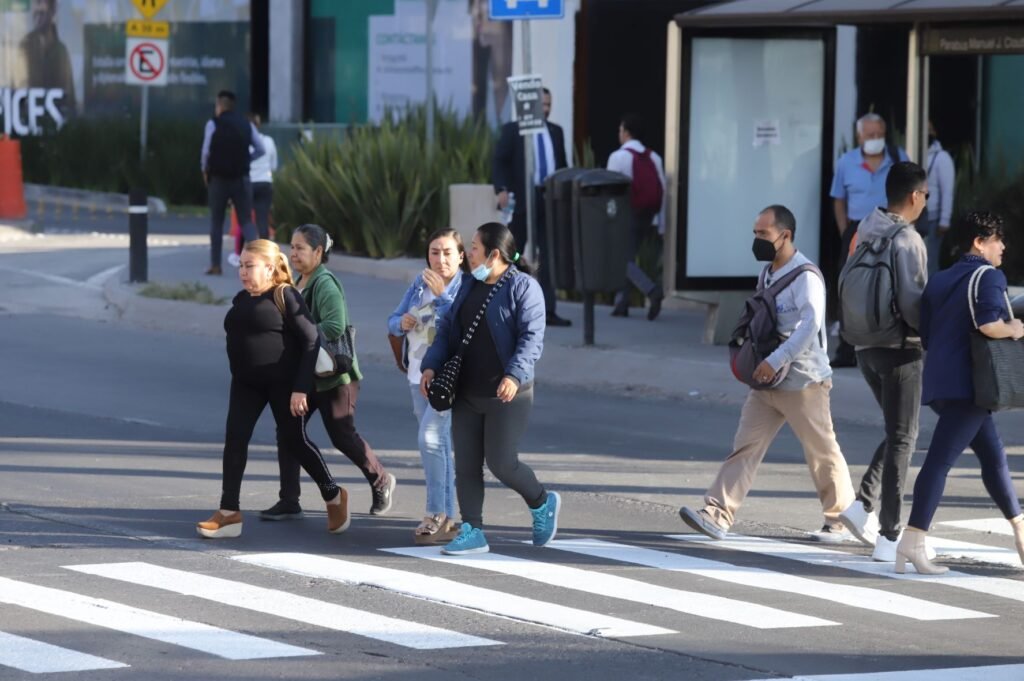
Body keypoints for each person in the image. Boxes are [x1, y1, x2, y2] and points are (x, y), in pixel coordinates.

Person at [678, 205, 867, 544]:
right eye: (755, 233)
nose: (757, 240)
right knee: (745, 447)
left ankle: (840, 522)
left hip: (803, 381)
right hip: (766, 381)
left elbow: (809, 327)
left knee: (822, 452)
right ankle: (717, 514)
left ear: (786, 235)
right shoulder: (767, 272)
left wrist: (777, 360)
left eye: (763, 234)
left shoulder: (806, 276)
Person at [420, 222, 561, 555]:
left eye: (474, 248)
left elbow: (531, 339)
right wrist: (431, 365)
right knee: (466, 465)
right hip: (466, 392)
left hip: (508, 392)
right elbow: (446, 333)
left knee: (502, 464)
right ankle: (473, 529)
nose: (468, 254)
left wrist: (513, 375)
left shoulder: (524, 288)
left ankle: (541, 502)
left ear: (494, 254)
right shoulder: (469, 286)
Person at [897, 211, 1024, 575]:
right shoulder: (989, 276)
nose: (1003, 246)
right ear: (979, 242)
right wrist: (1014, 328)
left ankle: (1019, 528)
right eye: (997, 239)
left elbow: (927, 332)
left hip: (941, 381)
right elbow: (989, 325)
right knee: (939, 461)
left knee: (994, 456)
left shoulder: (939, 280)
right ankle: (913, 538)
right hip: (971, 384)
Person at [197, 239, 347, 539]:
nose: (242, 271)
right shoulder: (241, 299)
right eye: (240, 265)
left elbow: (310, 341)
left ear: (269, 267)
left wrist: (301, 389)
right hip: (245, 384)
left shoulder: (285, 295)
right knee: (235, 439)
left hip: (284, 385)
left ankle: (333, 494)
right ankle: (229, 513)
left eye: (249, 265)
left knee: (295, 441)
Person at [262, 224, 397, 522]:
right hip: (309, 374)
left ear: (319, 252)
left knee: (342, 436)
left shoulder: (324, 283)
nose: (293, 253)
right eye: (292, 247)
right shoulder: (301, 281)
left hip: (335, 375)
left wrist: (301, 334)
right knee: (288, 430)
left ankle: (381, 480)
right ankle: (289, 499)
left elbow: (335, 325)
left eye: (300, 248)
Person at [837, 162, 929, 562]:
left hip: (862, 345)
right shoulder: (908, 240)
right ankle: (889, 537)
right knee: (904, 438)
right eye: (924, 195)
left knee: (897, 431)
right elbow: (913, 304)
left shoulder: (864, 227)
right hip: (899, 348)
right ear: (914, 196)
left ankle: (861, 506)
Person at [388, 229, 469, 543]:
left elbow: (462, 325)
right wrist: (402, 322)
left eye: (448, 252)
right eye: (435, 252)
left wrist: (444, 296)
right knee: (439, 447)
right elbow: (392, 321)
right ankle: (448, 516)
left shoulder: (466, 286)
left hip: (446, 379)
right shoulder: (419, 285)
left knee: (431, 440)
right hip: (416, 375)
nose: (441, 259)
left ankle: (435, 512)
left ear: (461, 256)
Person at [829, 113, 909, 367]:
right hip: (856, 229)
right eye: (869, 135)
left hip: (890, 227)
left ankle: (891, 342)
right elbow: (838, 198)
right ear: (859, 136)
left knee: (892, 283)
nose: (875, 139)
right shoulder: (846, 162)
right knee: (849, 285)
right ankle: (846, 348)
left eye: (879, 135)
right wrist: (845, 230)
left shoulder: (898, 159)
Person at [492, 88, 571, 327]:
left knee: (547, 255)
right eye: (542, 104)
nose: (546, 109)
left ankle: (547, 309)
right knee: (514, 253)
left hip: (548, 199)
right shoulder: (514, 130)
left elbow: (563, 166)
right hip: (523, 199)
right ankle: (508, 307)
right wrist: (502, 189)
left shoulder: (556, 132)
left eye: (549, 104)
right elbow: (499, 161)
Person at [606, 113, 666, 320]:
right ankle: (621, 303)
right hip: (648, 215)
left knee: (621, 259)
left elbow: (610, 193)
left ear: (626, 132)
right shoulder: (654, 157)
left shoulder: (618, 157)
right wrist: (661, 223)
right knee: (629, 256)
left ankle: (651, 290)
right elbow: (663, 189)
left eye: (620, 130)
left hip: (626, 214)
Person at [201, 90, 265, 276]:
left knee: (216, 221)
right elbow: (260, 148)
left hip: (218, 179)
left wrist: (205, 170)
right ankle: (258, 263)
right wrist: (247, 159)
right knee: (246, 220)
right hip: (241, 178)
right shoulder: (246, 125)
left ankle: (215, 265)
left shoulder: (213, 124)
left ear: (219, 106)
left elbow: (205, 152)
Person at [15, 0, 75, 118]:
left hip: (54, 122)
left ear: (52, 13)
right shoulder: (25, 46)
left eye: (42, 13)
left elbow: (68, 96)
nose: (37, 18)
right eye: (36, 13)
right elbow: (17, 87)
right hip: (28, 120)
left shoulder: (60, 50)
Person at [922, 121, 955, 276]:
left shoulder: (941, 158)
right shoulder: (912, 151)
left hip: (933, 219)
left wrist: (944, 221)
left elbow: (947, 191)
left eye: (929, 129)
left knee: (930, 263)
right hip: (914, 218)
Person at [249, 113, 278, 241]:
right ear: (258, 125)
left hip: (248, 183)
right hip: (265, 182)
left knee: (246, 220)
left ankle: (247, 251)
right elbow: (274, 166)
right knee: (262, 219)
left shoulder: (243, 142)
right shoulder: (268, 141)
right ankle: (265, 251)